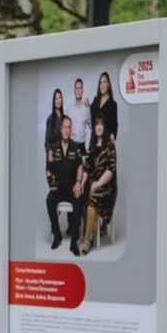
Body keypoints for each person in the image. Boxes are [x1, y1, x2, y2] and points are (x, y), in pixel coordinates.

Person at [44, 115, 87, 256]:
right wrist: (51, 183)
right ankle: (57, 235)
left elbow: (80, 166)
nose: (67, 130)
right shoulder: (53, 148)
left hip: (71, 187)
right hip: (58, 188)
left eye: (69, 127)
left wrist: (79, 183)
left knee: (79, 202)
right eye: (65, 127)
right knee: (49, 201)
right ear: (61, 129)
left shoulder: (75, 146)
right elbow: (48, 170)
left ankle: (74, 240)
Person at [81, 114, 117, 255]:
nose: (99, 127)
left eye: (101, 124)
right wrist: (82, 183)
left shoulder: (110, 144)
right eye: (96, 124)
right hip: (94, 184)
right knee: (84, 196)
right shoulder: (93, 145)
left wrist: (97, 184)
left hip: (107, 186)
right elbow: (86, 168)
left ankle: (87, 241)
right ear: (94, 128)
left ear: (104, 127)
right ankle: (92, 229)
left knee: (92, 198)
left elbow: (111, 170)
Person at [90, 71, 118, 141]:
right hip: (94, 140)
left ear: (108, 84)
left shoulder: (113, 104)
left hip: (106, 140)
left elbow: (115, 124)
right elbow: (91, 118)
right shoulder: (95, 101)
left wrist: (113, 135)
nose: (102, 85)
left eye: (104, 82)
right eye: (100, 83)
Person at [65, 78, 91, 146]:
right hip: (71, 143)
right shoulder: (69, 109)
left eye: (80, 88)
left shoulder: (86, 108)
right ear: (74, 90)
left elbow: (92, 126)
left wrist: (90, 108)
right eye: (76, 88)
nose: (78, 91)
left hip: (82, 144)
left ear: (82, 90)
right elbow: (64, 128)